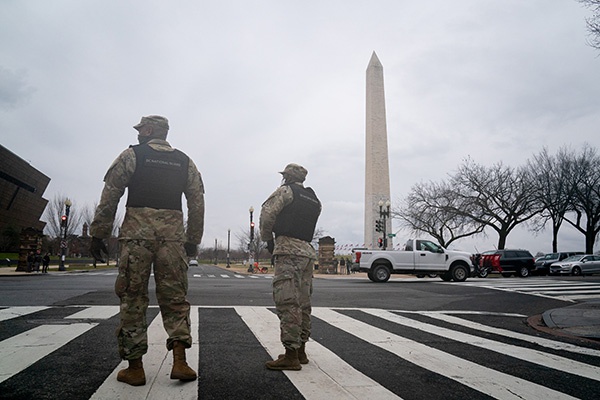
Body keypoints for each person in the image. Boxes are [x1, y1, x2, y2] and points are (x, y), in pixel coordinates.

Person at [89, 115, 204, 386]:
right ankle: (180, 362)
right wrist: (192, 239)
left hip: (136, 238)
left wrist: (99, 233)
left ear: (149, 130)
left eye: (141, 129)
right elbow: (197, 201)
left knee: (133, 297)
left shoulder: (132, 156)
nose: (139, 133)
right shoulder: (185, 161)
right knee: (175, 298)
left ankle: (135, 368)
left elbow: (111, 194)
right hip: (173, 240)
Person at [260, 163, 321, 371]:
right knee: (303, 303)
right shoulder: (314, 199)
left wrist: (268, 239)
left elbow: (267, 214)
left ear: (286, 177)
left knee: (287, 302)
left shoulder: (286, 191)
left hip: (288, 249)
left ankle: (290, 355)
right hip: (307, 252)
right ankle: (301, 350)